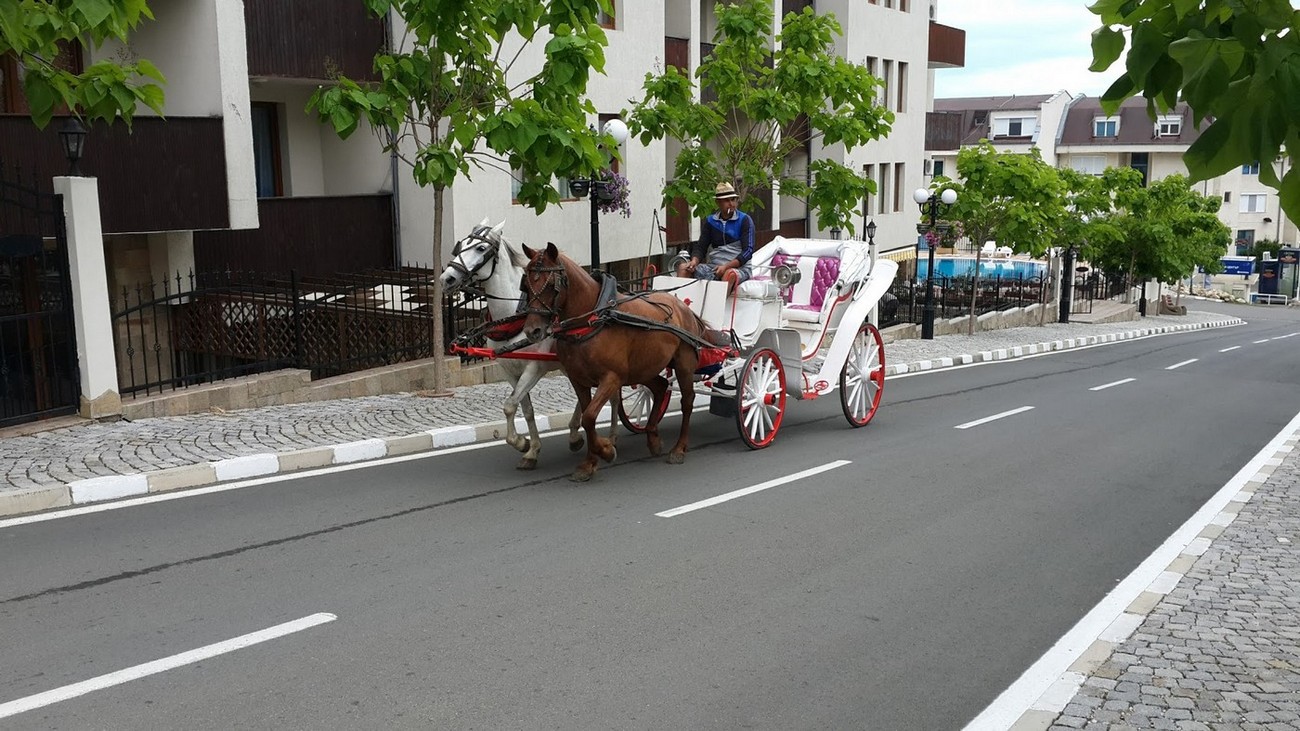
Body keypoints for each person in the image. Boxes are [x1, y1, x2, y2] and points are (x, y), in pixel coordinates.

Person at [675, 182, 755, 292]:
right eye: (727, 200)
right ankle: (683, 306)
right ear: (718, 202)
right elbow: (700, 247)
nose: (731, 204)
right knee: (683, 268)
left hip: (739, 268)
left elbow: (748, 251)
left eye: (733, 199)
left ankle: (717, 308)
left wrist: (726, 266)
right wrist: (694, 262)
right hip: (714, 266)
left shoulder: (745, 220)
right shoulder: (710, 221)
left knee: (729, 274)